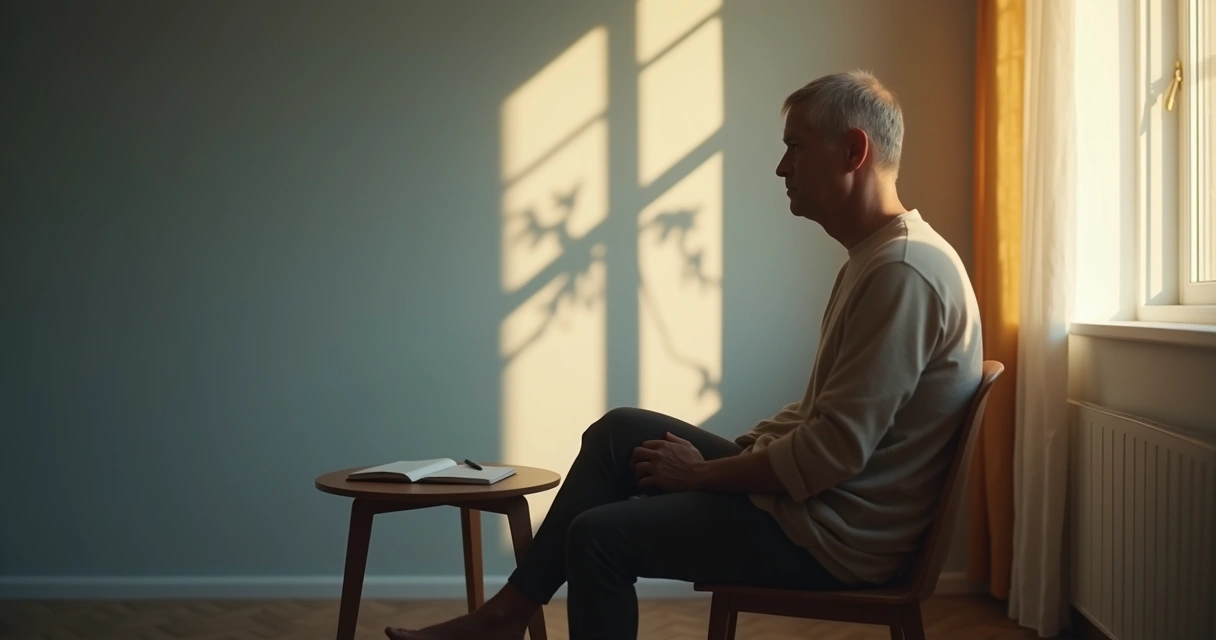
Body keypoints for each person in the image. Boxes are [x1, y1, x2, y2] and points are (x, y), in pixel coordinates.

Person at [386, 70, 983, 640]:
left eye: (795, 147)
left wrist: (702, 474)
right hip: (819, 505)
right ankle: (505, 616)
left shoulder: (903, 273)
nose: (781, 167)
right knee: (620, 432)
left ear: (854, 151)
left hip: (833, 536)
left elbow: (831, 450)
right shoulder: (880, 258)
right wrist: (734, 458)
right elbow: (819, 418)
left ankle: (500, 620)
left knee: (598, 537)